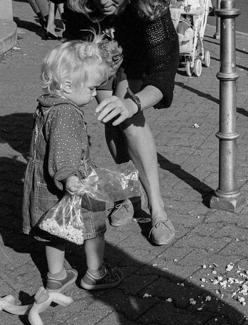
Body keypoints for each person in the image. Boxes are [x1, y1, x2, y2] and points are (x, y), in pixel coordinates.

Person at [64, 0, 179, 246]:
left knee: (129, 119)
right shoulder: (78, 5)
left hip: (139, 61)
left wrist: (131, 104)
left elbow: (162, 77)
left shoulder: (150, 7)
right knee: (111, 119)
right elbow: (73, 43)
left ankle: (157, 209)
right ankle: (128, 193)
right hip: (101, 57)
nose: (104, 1)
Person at [22, 40, 123, 292]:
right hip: (73, 181)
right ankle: (95, 273)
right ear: (68, 86)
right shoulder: (67, 113)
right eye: (91, 88)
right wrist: (69, 177)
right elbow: (64, 152)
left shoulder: (48, 104)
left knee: (55, 227)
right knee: (94, 227)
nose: (93, 93)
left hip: (45, 181)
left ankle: (56, 275)